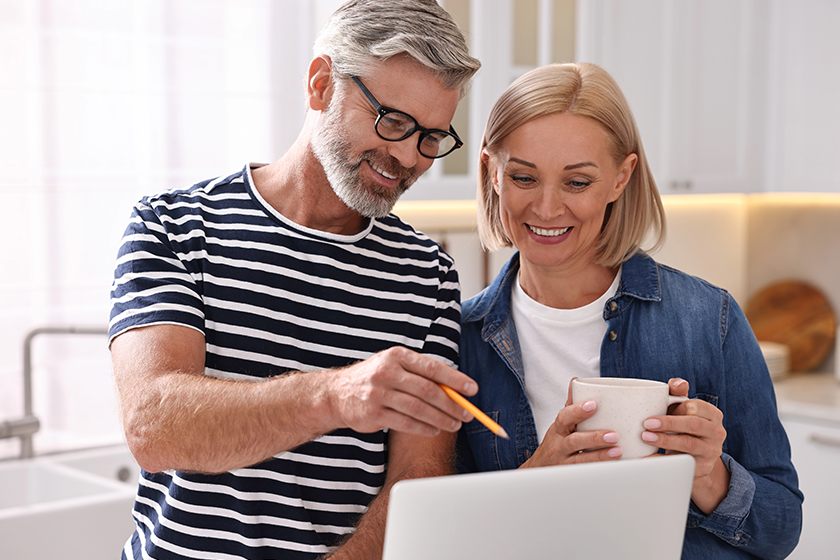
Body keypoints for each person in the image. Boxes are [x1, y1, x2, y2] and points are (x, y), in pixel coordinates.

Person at [108, 1, 481, 558]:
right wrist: (335, 395)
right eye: (394, 122)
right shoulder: (174, 225)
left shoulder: (426, 274)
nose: (407, 156)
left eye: (430, 136)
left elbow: (417, 483)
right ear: (321, 83)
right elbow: (154, 427)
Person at [455, 62, 803, 559]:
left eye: (577, 183)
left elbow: (783, 527)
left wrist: (708, 474)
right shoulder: (459, 340)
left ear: (622, 177)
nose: (547, 208)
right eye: (524, 177)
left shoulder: (710, 319)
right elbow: (440, 536)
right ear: (492, 172)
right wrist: (533, 482)